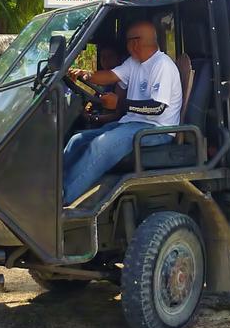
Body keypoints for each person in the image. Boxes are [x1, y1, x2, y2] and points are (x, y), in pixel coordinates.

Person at [62, 21, 182, 205]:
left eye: (127, 41)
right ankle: (55, 187)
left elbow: (157, 107)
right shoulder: (134, 62)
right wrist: (85, 75)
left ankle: (62, 199)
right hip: (131, 123)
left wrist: (120, 103)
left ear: (134, 43)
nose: (126, 45)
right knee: (77, 140)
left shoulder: (162, 65)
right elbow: (111, 75)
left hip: (156, 130)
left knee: (99, 146)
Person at [83, 44, 126, 127]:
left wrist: (93, 118)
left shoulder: (121, 83)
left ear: (118, 59)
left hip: (113, 125)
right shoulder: (102, 81)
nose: (106, 60)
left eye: (110, 56)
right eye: (103, 57)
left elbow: (119, 115)